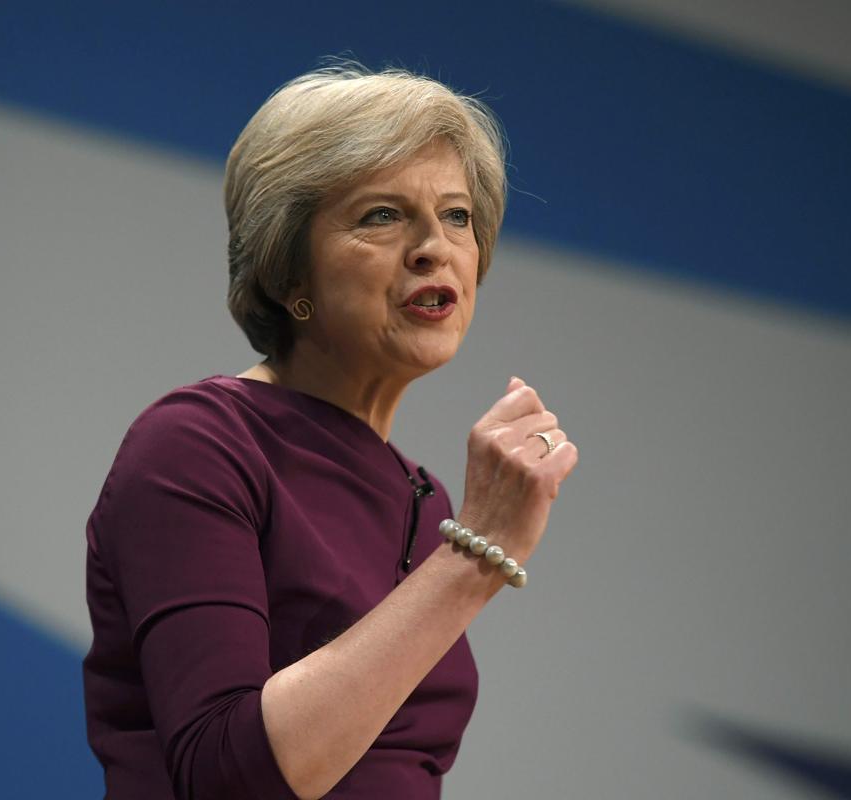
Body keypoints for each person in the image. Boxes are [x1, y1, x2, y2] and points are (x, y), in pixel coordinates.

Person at [82, 63, 579, 800]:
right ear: (290, 276)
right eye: (382, 214)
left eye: (457, 217)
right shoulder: (197, 446)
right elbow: (226, 776)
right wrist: (477, 553)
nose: (433, 247)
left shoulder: (424, 496)